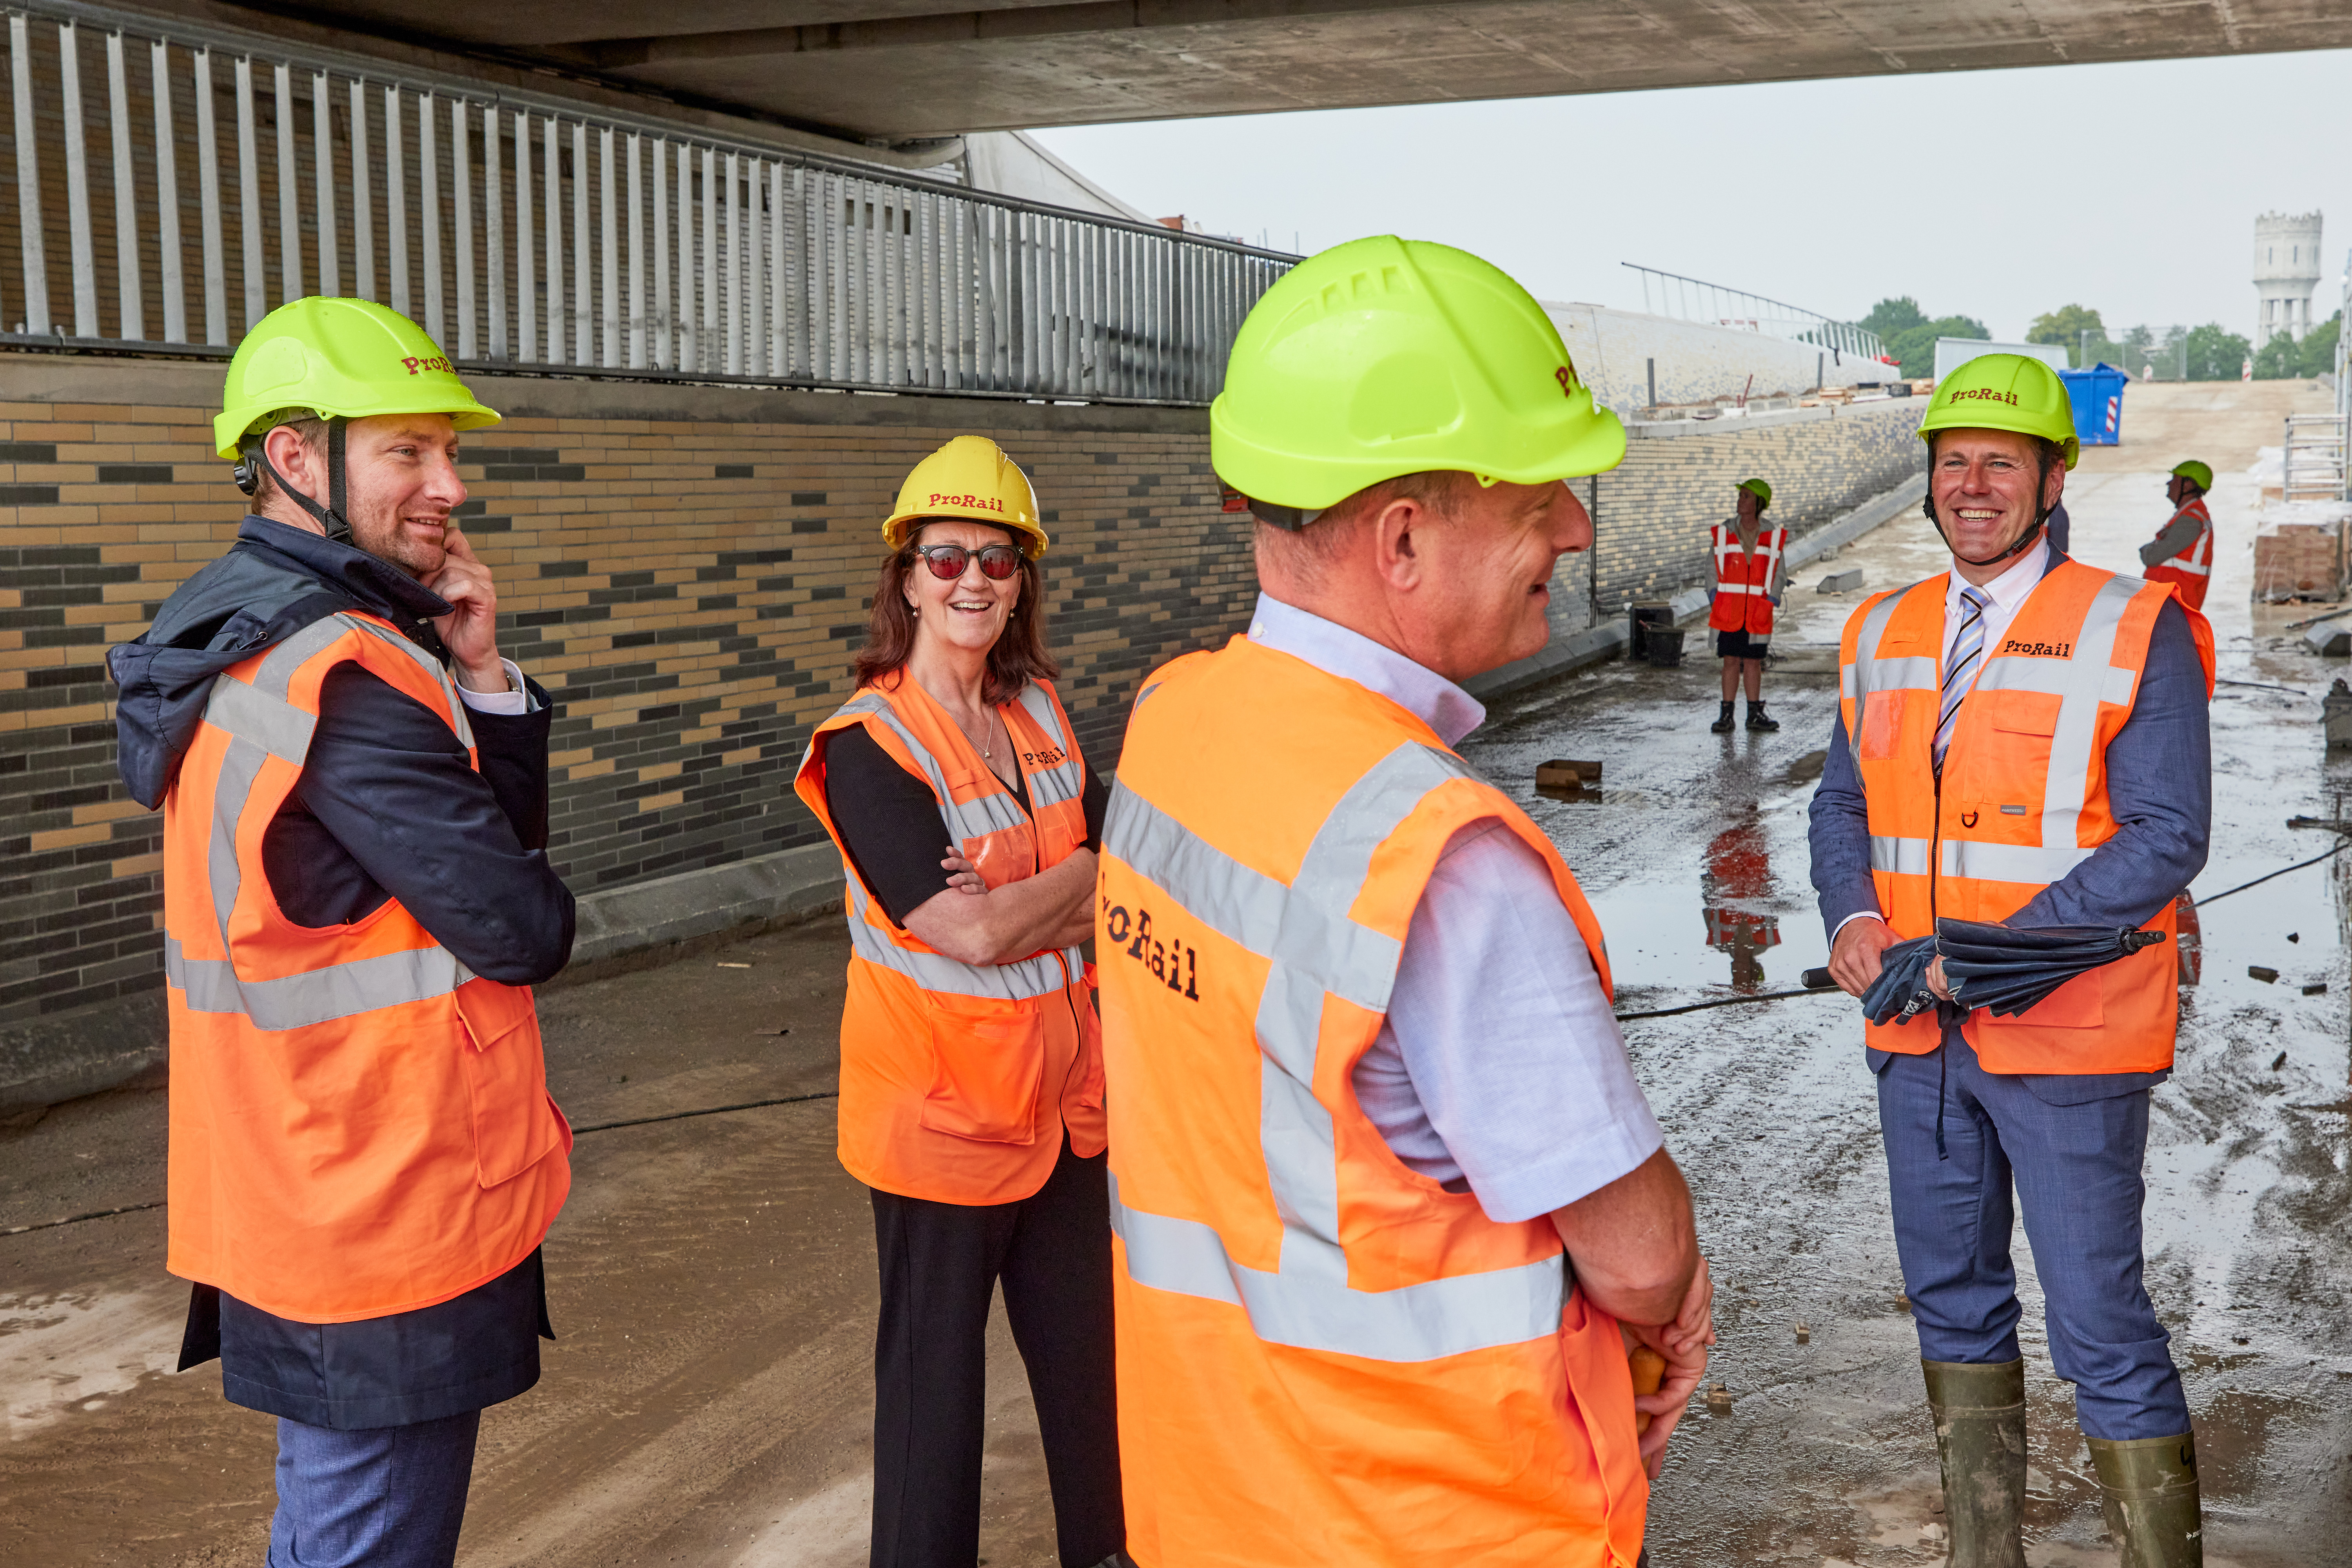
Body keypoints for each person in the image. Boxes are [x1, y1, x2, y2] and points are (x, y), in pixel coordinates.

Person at [1096, 236, 1715, 1568]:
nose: (1576, 528)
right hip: (1428, 1524)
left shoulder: (1174, 723)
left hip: (1218, 1501)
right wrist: (1677, 1297)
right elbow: (1635, 1256)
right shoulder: (1439, 861)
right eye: (1537, 495)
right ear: (1401, 538)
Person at [107, 297, 576, 1567]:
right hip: (384, 1218)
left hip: (306, 1183)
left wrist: (484, 680)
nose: (452, 486)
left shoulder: (240, 639)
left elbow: (464, 872)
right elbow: (523, 922)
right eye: (409, 452)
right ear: (298, 459)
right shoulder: (343, 674)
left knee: (332, 1534)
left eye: (449, 451)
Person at [1808, 353, 2214, 1568]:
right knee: (1951, 1307)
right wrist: (1850, 922)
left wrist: (1973, 954)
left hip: (2068, 1042)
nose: (1970, 485)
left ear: (2048, 476)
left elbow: (2164, 835)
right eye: (1950, 464)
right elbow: (1840, 806)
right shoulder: (1879, 627)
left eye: (1997, 462)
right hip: (1911, 1039)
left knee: (2097, 1325)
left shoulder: (2136, 623)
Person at [791, 436, 1127, 1568]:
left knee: (1100, 1398)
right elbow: (968, 932)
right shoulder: (869, 746)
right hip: (941, 1127)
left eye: (997, 559)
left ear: (1023, 578)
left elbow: (1126, 877)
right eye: (946, 559)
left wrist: (1052, 890)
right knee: (933, 1423)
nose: (971, 581)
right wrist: (1083, 881)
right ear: (904, 577)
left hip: (1068, 1114)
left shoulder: (1040, 715)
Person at [1708, 477, 1787, 732]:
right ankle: (1726, 716)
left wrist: (1770, 601)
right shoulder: (1725, 532)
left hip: (1757, 612)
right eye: (1740, 496)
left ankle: (1754, 715)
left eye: (1746, 497)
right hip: (1729, 611)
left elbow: (1779, 572)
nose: (1740, 501)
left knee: (1753, 663)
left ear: (1758, 503)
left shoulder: (1771, 536)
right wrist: (1714, 597)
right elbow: (1711, 567)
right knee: (1730, 660)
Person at [2140, 460, 2214, 610]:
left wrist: (2146, 550)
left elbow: (2152, 557)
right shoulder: (2189, 515)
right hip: (2171, 604)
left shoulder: (2191, 521)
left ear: (2187, 486)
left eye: (2175, 480)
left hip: (2176, 605)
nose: (2169, 484)